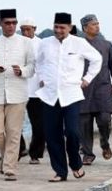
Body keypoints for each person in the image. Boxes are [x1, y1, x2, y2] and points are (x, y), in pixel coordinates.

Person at [34, 12, 101, 182]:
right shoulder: (45, 43)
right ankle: (60, 171)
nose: (58, 30)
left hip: (71, 94)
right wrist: (41, 78)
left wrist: (87, 79)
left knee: (72, 132)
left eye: (62, 27)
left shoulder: (79, 43)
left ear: (70, 28)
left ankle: (76, 163)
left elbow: (97, 59)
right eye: (56, 27)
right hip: (49, 95)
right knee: (52, 135)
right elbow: (38, 62)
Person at [0, 8, 33, 181]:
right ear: (0, 24)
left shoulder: (26, 43)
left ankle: (10, 167)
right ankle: (7, 157)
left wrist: (22, 71)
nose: (11, 26)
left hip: (17, 93)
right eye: (7, 23)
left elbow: (32, 67)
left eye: (14, 23)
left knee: (13, 131)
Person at [78, 14, 112, 164]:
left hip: (103, 88)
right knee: (84, 123)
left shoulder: (106, 45)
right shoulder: (78, 44)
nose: (97, 26)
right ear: (85, 28)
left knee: (104, 119)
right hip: (83, 89)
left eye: (97, 23)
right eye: (93, 24)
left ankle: (104, 142)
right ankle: (88, 154)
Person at [19, 18, 46, 164]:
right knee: (13, 122)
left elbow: (45, 64)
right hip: (19, 88)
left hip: (36, 90)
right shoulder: (16, 43)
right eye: (22, 29)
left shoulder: (42, 44)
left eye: (28, 29)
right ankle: (21, 148)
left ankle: (35, 153)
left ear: (34, 29)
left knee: (39, 125)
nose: (25, 32)